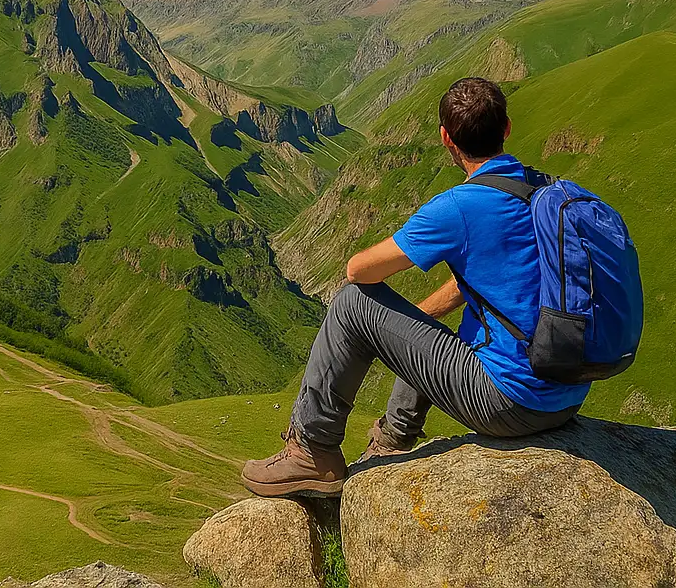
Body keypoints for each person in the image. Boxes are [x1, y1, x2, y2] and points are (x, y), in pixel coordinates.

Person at [242, 76, 587, 497]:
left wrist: (395, 319)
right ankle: (389, 444)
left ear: (446, 138)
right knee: (421, 325)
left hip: (510, 402)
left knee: (353, 304)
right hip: (567, 394)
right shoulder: (547, 192)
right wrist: (413, 323)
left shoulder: (460, 207)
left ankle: (311, 451)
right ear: (507, 129)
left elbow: (358, 271)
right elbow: (489, 284)